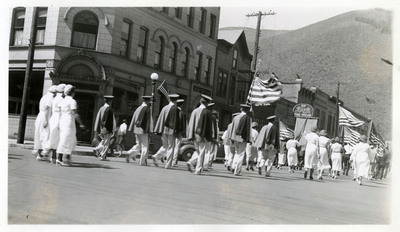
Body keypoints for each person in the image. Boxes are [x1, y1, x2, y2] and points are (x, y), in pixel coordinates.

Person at [56, 85, 85, 166]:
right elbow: (75, 114)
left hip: (62, 121)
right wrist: (81, 124)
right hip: (69, 121)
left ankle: (61, 158)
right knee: (69, 139)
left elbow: (60, 113)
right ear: (72, 92)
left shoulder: (63, 101)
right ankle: (63, 159)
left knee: (63, 139)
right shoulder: (72, 101)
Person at [186, 94, 213, 175]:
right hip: (202, 135)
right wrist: (209, 137)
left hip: (194, 134)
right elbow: (208, 126)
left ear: (201, 101)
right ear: (207, 103)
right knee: (201, 152)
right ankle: (198, 169)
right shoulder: (207, 112)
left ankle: (191, 161)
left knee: (197, 150)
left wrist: (190, 135)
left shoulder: (194, 111)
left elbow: (191, 124)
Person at [153, 94, 180, 169]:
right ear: (176, 100)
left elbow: (160, 119)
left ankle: (156, 156)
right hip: (171, 130)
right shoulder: (175, 108)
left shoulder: (164, 107)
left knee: (165, 145)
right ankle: (168, 164)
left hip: (163, 130)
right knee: (171, 147)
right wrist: (177, 132)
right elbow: (176, 121)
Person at [42, 84, 66, 163]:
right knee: (58, 139)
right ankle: (50, 153)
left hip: (53, 118)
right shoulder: (61, 99)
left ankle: (53, 157)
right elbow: (61, 110)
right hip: (59, 118)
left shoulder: (55, 98)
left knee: (54, 137)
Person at [33, 85, 57, 161]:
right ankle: (44, 153)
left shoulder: (44, 97)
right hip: (45, 116)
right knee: (46, 135)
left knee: (40, 134)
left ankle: (40, 154)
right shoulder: (50, 98)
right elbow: (47, 108)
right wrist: (46, 120)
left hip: (40, 115)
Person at [126, 96, 152, 164]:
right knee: (145, 146)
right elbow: (149, 121)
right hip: (143, 130)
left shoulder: (138, 108)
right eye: (149, 101)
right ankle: (142, 161)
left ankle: (130, 153)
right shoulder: (147, 109)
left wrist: (131, 128)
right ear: (147, 101)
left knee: (138, 145)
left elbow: (134, 118)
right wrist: (150, 130)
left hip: (136, 130)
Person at [228, 103, 252, 176]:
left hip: (234, 138)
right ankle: (237, 171)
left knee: (236, 153)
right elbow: (248, 130)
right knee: (241, 154)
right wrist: (248, 139)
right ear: (247, 110)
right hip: (242, 139)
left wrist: (231, 137)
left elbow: (232, 128)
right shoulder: (247, 118)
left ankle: (233, 166)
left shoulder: (236, 117)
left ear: (241, 109)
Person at [93, 95, 116, 161]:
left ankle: (97, 149)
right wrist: (114, 130)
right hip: (107, 129)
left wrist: (97, 129)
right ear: (110, 101)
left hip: (101, 128)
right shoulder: (110, 110)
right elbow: (113, 121)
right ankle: (103, 156)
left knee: (103, 142)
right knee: (106, 143)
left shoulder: (101, 108)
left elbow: (98, 118)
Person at [172, 99, 187, 167]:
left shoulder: (173, 111)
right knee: (176, 147)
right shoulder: (182, 113)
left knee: (171, 146)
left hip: (171, 131)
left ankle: (167, 158)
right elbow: (183, 124)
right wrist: (183, 132)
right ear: (182, 105)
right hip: (179, 132)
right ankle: (174, 161)